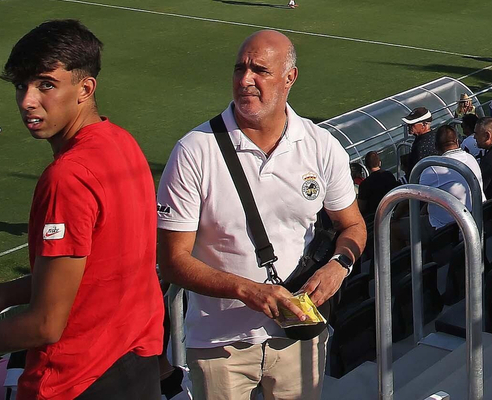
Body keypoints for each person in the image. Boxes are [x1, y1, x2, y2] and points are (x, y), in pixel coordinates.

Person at [0, 20, 163, 400]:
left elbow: (46, 325)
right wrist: (3, 294)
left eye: (46, 85)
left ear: (85, 89)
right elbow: (99, 272)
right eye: (20, 86)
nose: (27, 101)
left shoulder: (68, 177)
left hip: (75, 380)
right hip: (134, 365)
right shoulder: (122, 143)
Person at [156, 30, 366, 400]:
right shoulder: (194, 151)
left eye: (260, 71)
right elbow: (172, 261)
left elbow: (352, 224)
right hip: (219, 344)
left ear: (289, 77)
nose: (245, 80)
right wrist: (248, 290)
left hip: (298, 335)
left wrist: (339, 266)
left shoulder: (321, 146)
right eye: (240, 69)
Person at [416, 126, 484, 233]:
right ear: (457, 141)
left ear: (436, 146)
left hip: (448, 229)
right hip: (478, 218)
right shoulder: (471, 158)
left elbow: (416, 198)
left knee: (396, 228)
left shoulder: (432, 169)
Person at [356, 151, 398, 232]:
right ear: (379, 163)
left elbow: (361, 207)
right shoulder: (389, 175)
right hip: (391, 211)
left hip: (373, 218)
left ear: (366, 166)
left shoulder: (365, 184)